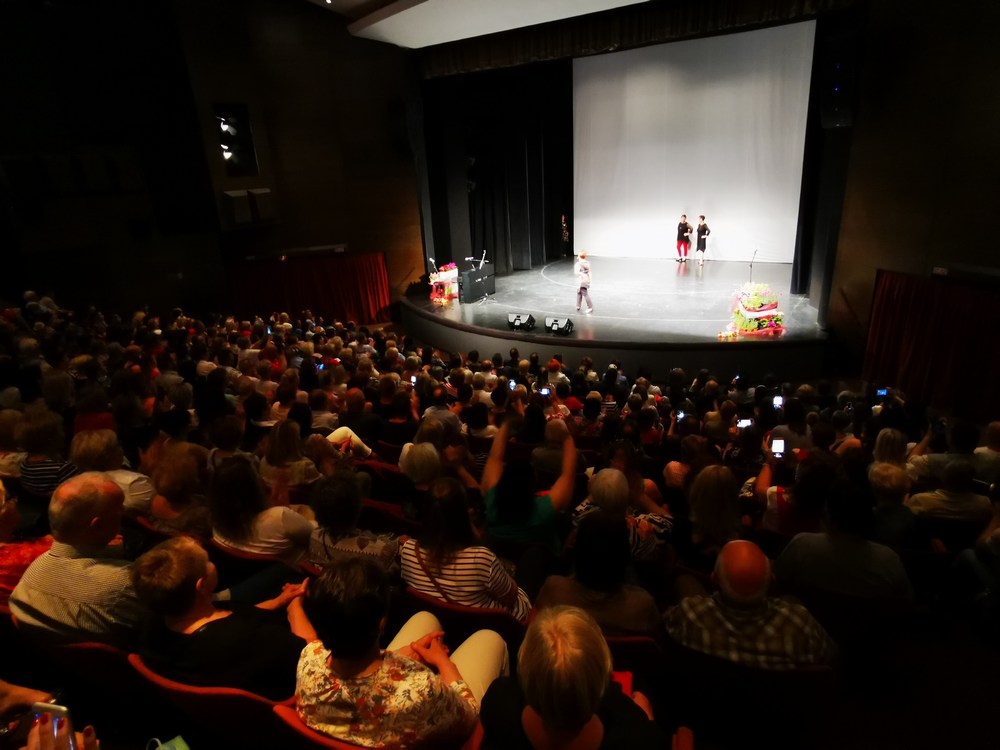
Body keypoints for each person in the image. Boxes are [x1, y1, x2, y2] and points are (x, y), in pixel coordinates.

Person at [296, 558, 509, 748]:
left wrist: (397, 658)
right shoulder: (422, 691)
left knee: (425, 617)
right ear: (381, 623)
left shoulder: (309, 658)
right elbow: (469, 716)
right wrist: (444, 663)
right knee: (490, 638)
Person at [131, 537, 311, 700]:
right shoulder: (248, 639)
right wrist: (295, 607)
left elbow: (238, 614)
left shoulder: (154, 621)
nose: (212, 563)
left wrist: (278, 601)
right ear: (202, 586)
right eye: (208, 561)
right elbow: (311, 656)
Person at [480, 606, 664, 749]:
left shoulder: (499, 701)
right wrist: (648, 718)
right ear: (602, 677)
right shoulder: (632, 730)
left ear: (526, 673)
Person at [9, 472, 147, 647]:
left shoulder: (32, 572)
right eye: (119, 509)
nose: (123, 514)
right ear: (97, 525)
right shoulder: (124, 584)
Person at [664, 540, 835, 670]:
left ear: (714, 579)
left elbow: (664, 629)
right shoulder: (800, 626)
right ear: (771, 582)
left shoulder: (690, 615)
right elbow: (831, 658)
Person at [401, 478, 531, 621]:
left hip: (447, 623)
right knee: (534, 556)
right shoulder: (481, 559)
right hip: (500, 625)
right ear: (464, 514)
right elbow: (511, 599)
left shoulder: (408, 552)